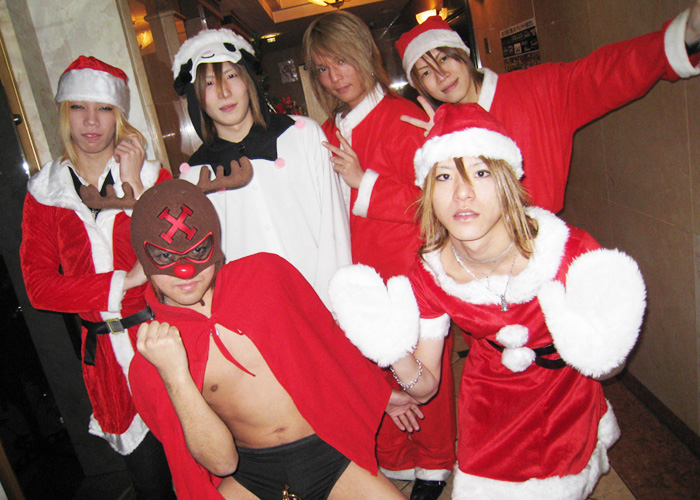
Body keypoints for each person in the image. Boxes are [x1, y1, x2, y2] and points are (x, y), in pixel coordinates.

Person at [330, 103, 647, 499]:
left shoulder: (569, 252)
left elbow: (607, 367)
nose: (462, 192)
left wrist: (600, 348)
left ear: (507, 181)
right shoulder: (431, 275)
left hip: (565, 399)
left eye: (480, 173)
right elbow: (425, 389)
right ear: (428, 193)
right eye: (444, 176)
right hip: (489, 403)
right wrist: (390, 350)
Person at [126, 179, 421, 500]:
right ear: (144, 260)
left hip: (328, 453)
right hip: (248, 474)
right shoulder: (152, 357)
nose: (186, 271)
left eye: (198, 250)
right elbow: (220, 463)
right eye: (164, 256)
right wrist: (175, 377)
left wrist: (379, 394)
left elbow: (327, 342)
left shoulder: (265, 276)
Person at [302, 11, 456, 500]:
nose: (335, 77)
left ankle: (434, 462)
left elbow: (436, 202)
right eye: (323, 68)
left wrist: (362, 182)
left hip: (408, 271)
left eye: (342, 61)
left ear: (365, 55)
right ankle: (394, 458)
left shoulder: (404, 118)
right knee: (370, 372)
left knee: (422, 372)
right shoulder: (324, 132)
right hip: (353, 273)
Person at [20, 56, 175, 499]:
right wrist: (121, 282)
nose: (91, 121)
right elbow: (39, 288)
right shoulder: (46, 193)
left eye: (104, 109)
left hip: (164, 340)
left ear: (119, 115)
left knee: (199, 471)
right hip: (105, 359)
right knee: (150, 484)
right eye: (78, 107)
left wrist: (134, 185)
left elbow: (176, 253)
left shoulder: (151, 176)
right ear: (63, 113)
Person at [395, 2, 700, 214]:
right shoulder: (437, 131)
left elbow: (606, 73)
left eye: (444, 58)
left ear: (462, 55)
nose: (441, 76)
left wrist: (685, 35)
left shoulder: (538, 89)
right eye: (425, 72)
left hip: (541, 249)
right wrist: (433, 156)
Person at [171, 28, 350, 308]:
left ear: (248, 81)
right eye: (209, 83)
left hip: (327, 302)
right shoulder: (195, 175)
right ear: (197, 98)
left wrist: (338, 302)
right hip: (254, 315)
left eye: (231, 76)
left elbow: (334, 224)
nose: (224, 92)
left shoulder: (302, 135)